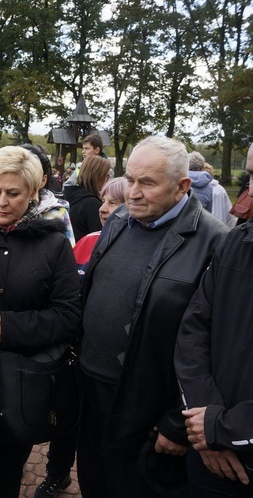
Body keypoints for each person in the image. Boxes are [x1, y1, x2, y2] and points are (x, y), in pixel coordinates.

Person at [77, 136, 230, 498]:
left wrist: (178, 422)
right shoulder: (118, 219)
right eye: (129, 180)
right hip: (93, 391)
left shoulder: (215, 242)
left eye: (147, 183)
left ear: (182, 187)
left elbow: (216, 344)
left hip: (148, 410)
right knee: (95, 484)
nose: (133, 192)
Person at [0, 146, 81, 498]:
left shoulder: (53, 245)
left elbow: (67, 315)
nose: (2, 202)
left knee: (10, 473)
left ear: (33, 193)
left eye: (13, 193)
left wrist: (5, 327)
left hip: (23, 383)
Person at [175, 218, 253, 496]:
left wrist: (223, 429)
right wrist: (207, 426)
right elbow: (194, 330)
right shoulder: (237, 242)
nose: (251, 192)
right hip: (209, 460)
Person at [71, 177, 128, 277]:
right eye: (103, 201)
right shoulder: (87, 241)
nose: (102, 209)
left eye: (112, 203)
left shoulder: (140, 247)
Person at [62, 154, 111, 242]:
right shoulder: (92, 204)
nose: (108, 179)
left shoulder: (70, 196)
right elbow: (99, 240)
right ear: (98, 176)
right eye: (107, 176)